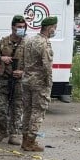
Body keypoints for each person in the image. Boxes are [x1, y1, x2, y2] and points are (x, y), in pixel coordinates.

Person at [17, 16, 57, 152]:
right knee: (38, 111)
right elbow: (47, 66)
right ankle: (30, 141)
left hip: (27, 80)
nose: (55, 30)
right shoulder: (44, 43)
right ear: (49, 28)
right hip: (39, 83)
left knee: (27, 111)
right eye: (54, 28)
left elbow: (22, 60)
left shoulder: (30, 40)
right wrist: (49, 83)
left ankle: (24, 139)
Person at [0, 15, 27, 144]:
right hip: (4, 80)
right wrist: (1, 59)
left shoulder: (27, 44)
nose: (21, 29)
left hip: (19, 82)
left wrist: (22, 72)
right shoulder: (3, 41)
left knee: (17, 109)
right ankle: (3, 130)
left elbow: (33, 64)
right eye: (19, 27)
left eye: (23, 27)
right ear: (13, 27)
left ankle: (14, 134)